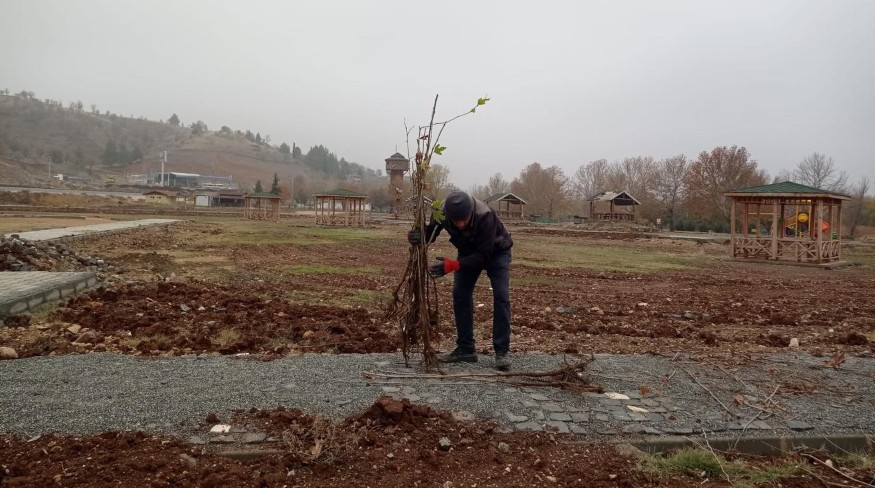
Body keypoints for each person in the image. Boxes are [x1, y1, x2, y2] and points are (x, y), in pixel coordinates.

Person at [407, 191, 514, 370]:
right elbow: (430, 234)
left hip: (496, 252)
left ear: (470, 212)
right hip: (467, 252)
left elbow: (484, 255)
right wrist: (417, 236)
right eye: (456, 221)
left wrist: (454, 265)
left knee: (501, 297)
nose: (460, 224)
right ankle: (466, 348)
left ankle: (501, 351)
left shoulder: (484, 215)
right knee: (460, 295)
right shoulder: (441, 212)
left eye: (464, 220)